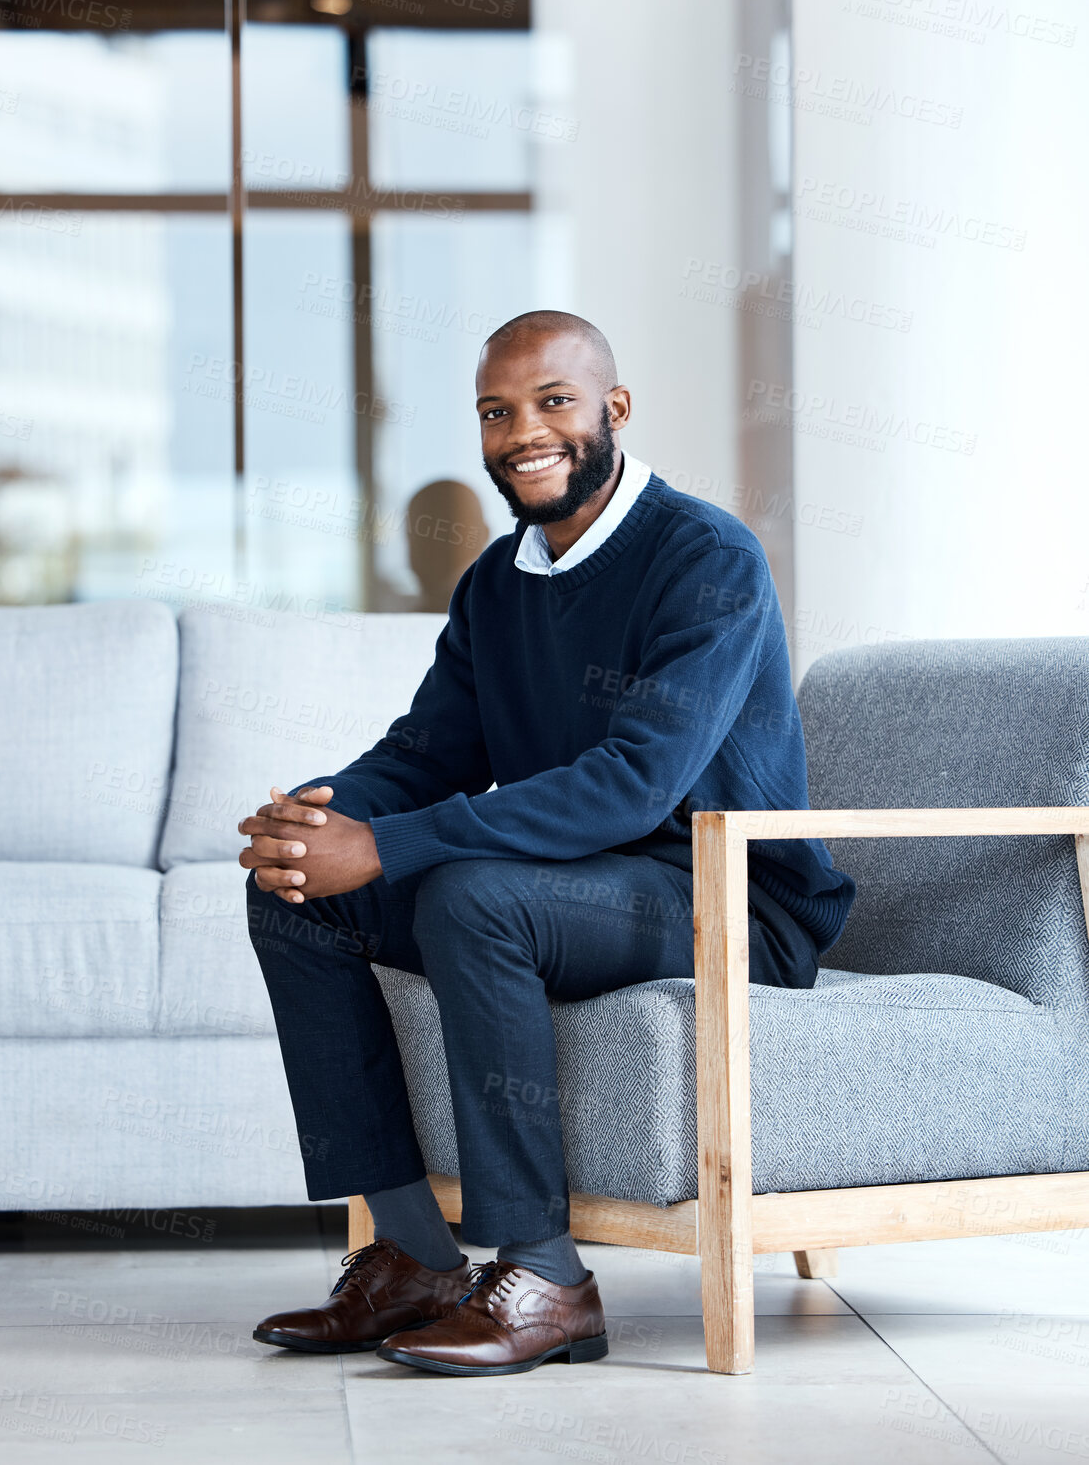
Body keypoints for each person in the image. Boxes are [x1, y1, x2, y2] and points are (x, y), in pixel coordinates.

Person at [239, 310, 855, 1377]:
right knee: (297, 891)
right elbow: (428, 752)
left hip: (720, 899)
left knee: (471, 894)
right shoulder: (496, 583)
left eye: (553, 401)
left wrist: (386, 847)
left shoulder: (707, 557)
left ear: (613, 410)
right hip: (574, 889)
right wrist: (318, 817)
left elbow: (633, 785)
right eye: (497, 411)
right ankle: (415, 1257)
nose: (523, 430)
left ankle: (547, 1279)